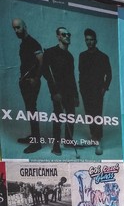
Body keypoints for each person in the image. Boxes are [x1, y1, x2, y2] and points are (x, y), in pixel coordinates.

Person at [41, 27, 79, 156]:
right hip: (57, 91)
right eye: (64, 34)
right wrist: (53, 92)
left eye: (68, 34)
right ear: (58, 36)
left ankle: (68, 141)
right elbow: (46, 73)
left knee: (71, 116)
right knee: (58, 117)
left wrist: (76, 95)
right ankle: (56, 145)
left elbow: (71, 76)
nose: (67, 36)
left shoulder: (70, 56)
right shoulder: (50, 52)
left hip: (69, 91)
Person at [12, 18, 43, 154]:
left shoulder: (32, 42)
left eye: (18, 27)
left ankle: (36, 143)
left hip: (31, 82)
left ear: (25, 26)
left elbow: (42, 61)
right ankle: (34, 137)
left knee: (32, 110)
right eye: (14, 28)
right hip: (24, 82)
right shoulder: (23, 43)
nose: (16, 30)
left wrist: (36, 78)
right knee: (30, 110)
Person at [79, 28, 111, 155]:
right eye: (87, 40)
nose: (89, 42)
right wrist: (81, 87)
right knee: (89, 114)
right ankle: (93, 136)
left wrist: (104, 88)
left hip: (98, 91)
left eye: (91, 40)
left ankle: (98, 141)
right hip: (85, 90)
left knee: (97, 115)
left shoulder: (103, 57)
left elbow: (109, 75)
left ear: (95, 40)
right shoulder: (82, 56)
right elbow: (81, 73)